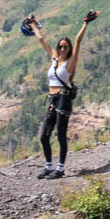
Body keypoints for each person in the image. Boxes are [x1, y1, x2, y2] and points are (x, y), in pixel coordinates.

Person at [26, 10, 98, 178]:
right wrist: (32, 24)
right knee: (44, 136)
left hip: (64, 99)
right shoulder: (53, 58)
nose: (62, 48)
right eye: (60, 46)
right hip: (52, 99)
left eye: (65, 46)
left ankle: (60, 169)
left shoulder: (70, 62)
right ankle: (48, 167)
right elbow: (41, 40)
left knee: (60, 135)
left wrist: (86, 22)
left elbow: (79, 40)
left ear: (69, 48)